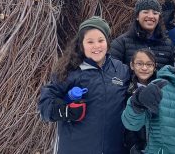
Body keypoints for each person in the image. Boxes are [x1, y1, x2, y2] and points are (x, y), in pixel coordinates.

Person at [38, 17, 130, 154]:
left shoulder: (121, 70)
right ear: (81, 45)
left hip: (114, 149)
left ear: (107, 42)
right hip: (76, 148)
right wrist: (65, 111)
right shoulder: (69, 71)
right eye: (90, 42)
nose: (96, 46)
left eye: (100, 40)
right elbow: (45, 105)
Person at [110, 0, 175, 69]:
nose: (151, 16)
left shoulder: (168, 45)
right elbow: (113, 72)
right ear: (137, 16)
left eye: (155, 13)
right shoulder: (121, 43)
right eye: (145, 12)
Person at [123, 49, 157, 153]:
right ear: (132, 65)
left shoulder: (161, 87)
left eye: (149, 64)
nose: (144, 68)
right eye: (139, 64)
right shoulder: (125, 88)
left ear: (155, 67)